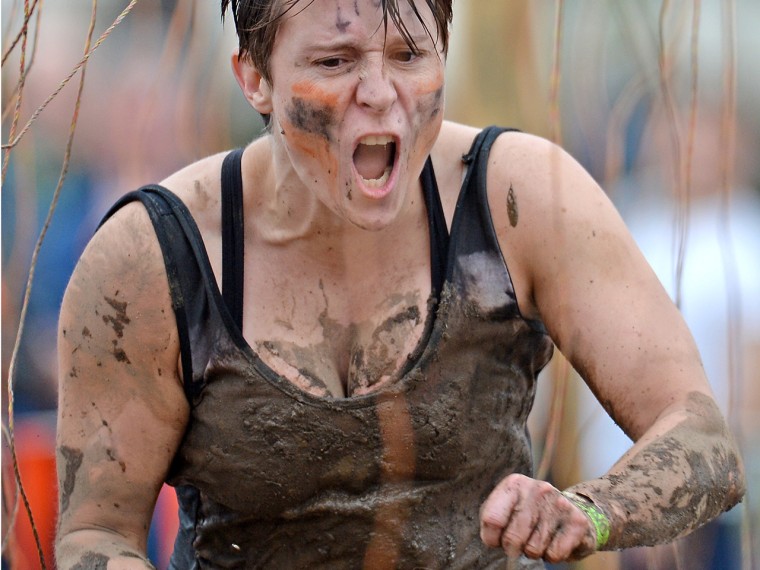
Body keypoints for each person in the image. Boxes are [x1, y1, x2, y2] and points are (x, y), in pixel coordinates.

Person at [53, 1, 745, 568]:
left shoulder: (522, 199)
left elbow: (704, 441)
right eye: (335, 62)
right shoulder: (152, 258)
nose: (382, 95)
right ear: (254, 76)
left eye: (411, 56)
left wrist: (592, 511)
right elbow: (95, 535)